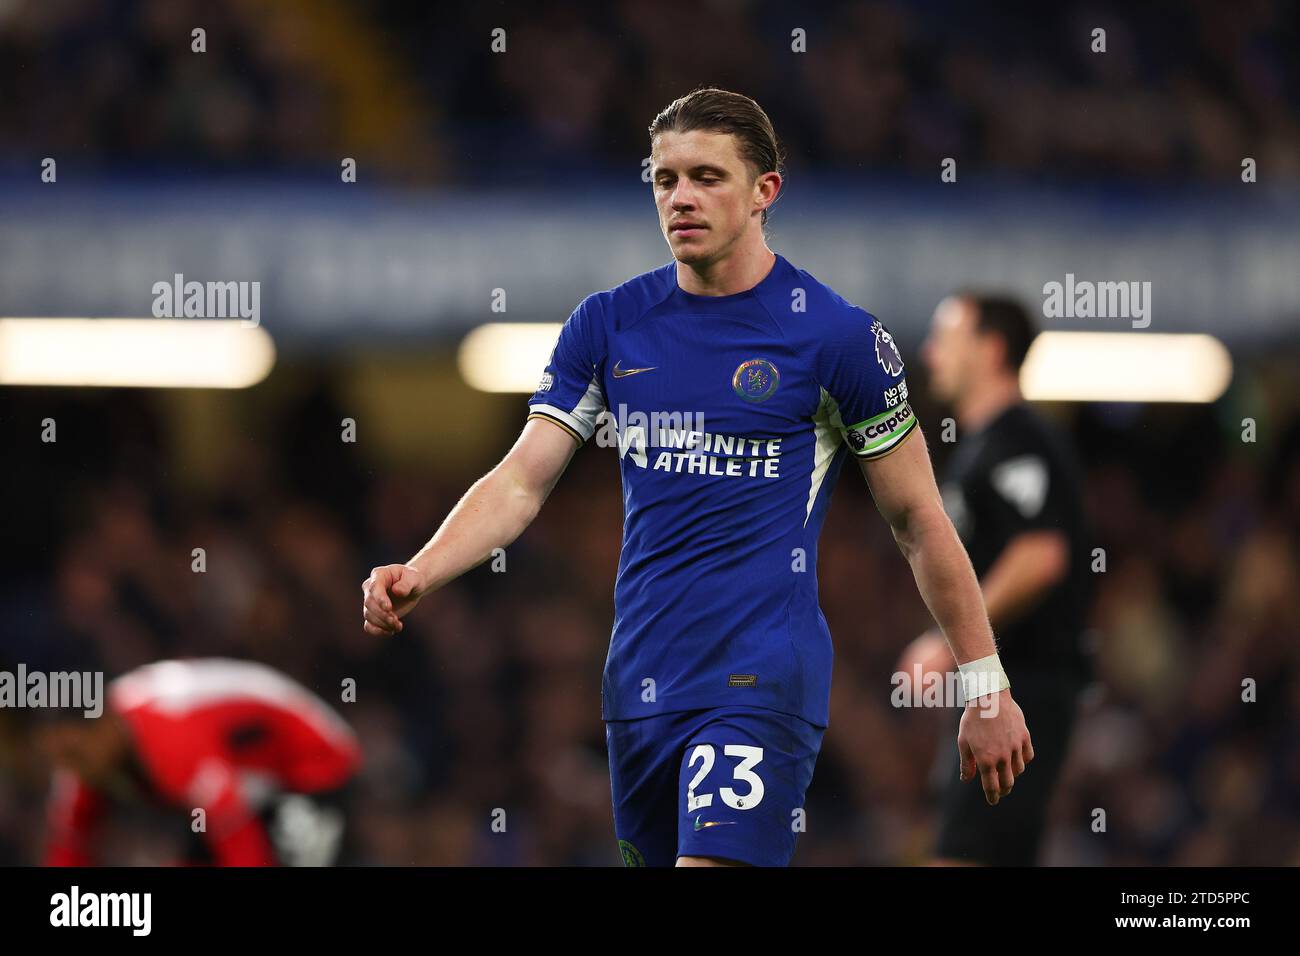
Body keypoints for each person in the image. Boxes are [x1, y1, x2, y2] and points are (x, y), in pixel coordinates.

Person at [363, 88, 1033, 867]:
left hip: (758, 681)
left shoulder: (834, 338)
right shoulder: (608, 325)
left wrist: (985, 684)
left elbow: (918, 520)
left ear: (764, 192)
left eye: (707, 177)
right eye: (664, 178)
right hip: (639, 686)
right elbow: (521, 481)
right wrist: (424, 568)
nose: (681, 197)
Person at [900, 293, 1092, 865]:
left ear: (991, 349)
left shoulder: (1020, 439)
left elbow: (1041, 554)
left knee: (961, 855)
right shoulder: (983, 445)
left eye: (945, 338)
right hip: (998, 690)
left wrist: (947, 642)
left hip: (1023, 688)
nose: (931, 353)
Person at [42, 657, 361, 866]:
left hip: (312, 765)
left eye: (76, 754)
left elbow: (237, 837)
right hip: (247, 788)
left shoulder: (169, 736)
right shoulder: (84, 762)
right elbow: (69, 847)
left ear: (108, 726)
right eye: (62, 760)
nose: (73, 770)